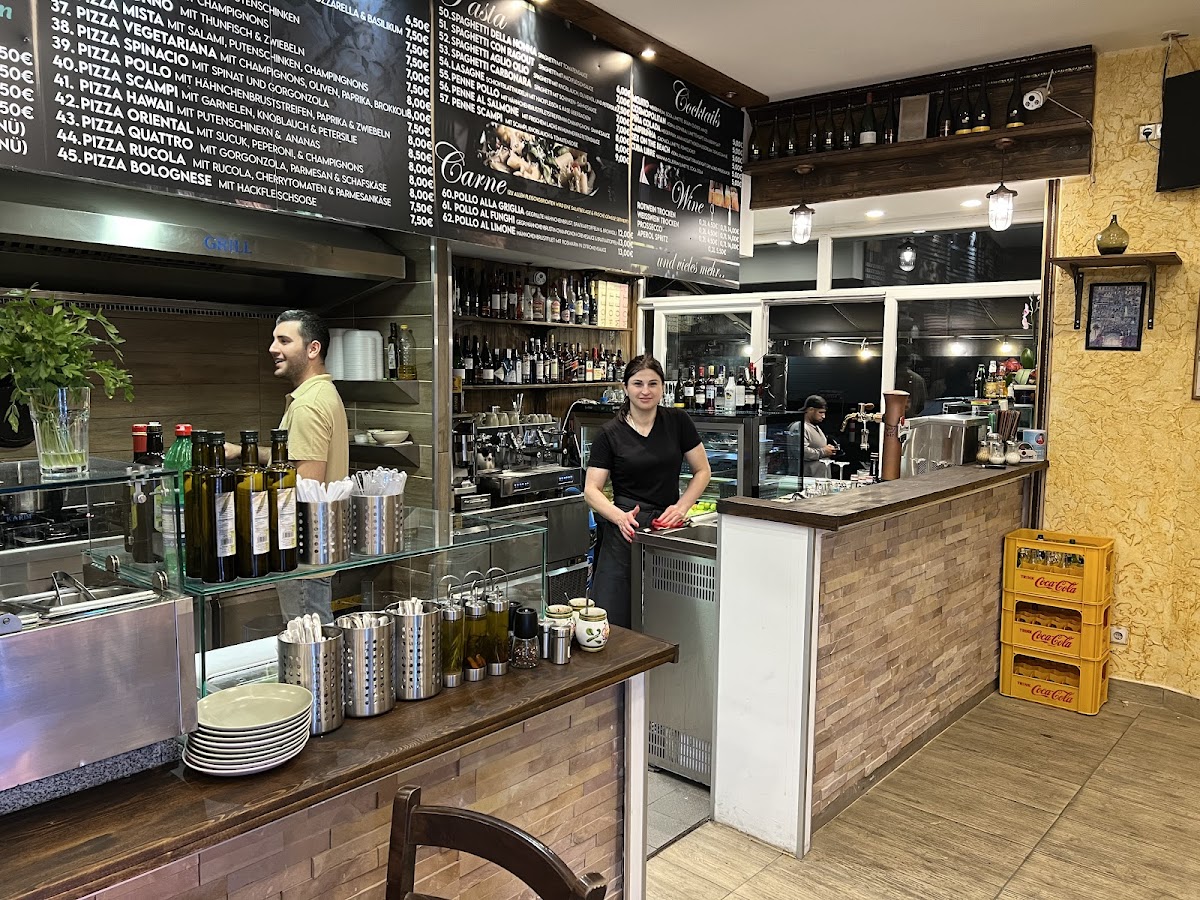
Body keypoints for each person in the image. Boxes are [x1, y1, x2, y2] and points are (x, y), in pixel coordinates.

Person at [228, 309, 348, 621]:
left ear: (313, 349)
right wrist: (242, 452)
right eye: (273, 340)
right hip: (315, 552)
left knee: (308, 642)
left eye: (284, 340)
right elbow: (296, 459)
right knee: (313, 638)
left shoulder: (308, 406)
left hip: (302, 558)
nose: (272, 348)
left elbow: (303, 489)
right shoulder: (322, 393)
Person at [584, 355, 711, 630]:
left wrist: (681, 508)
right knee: (614, 618)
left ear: (663, 387)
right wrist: (618, 517)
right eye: (638, 383)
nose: (646, 390)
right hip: (625, 529)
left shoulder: (678, 421)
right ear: (625, 387)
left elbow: (702, 471)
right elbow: (591, 490)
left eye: (653, 383)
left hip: (668, 527)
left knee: (669, 614)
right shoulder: (609, 433)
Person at [799, 394, 837, 478]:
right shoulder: (800, 426)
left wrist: (828, 449)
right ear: (810, 410)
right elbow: (802, 452)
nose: (823, 416)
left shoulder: (815, 427)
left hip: (821, 478)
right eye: (820, 412)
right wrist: (823, 452)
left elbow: (819, 447)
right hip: (808, 479)